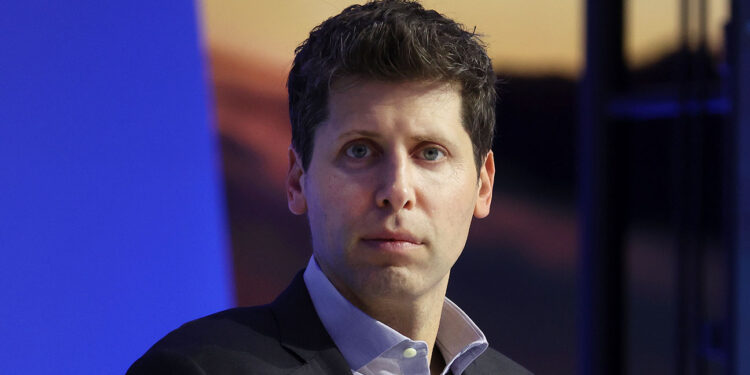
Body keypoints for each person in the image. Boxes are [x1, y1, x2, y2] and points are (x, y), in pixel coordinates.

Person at [127, 1, 530, 374]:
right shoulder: (195, 368)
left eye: (430, 154)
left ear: (483, 184)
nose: (396, 189)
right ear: (297, 179)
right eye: (359, 150)